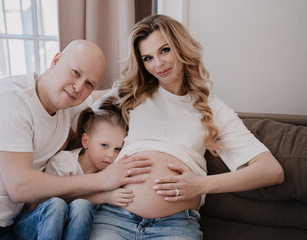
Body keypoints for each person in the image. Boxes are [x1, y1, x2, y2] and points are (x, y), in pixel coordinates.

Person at [88, 14, 284, 240]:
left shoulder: (211, 108)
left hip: (174, 225)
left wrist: (201, 185)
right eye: (148, 58)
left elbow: (271, 171)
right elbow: (80, 103)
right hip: (115, 216)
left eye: (165, 50)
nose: (158, 64)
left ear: (180, 47)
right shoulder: (131, 93)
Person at [0, 40, 152, 239]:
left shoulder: (67, 108)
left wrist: (154, 80)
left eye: (88, 83)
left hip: (1, 226)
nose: (78, 87)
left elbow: (108, 95)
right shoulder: (11, 100)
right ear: (56, 60)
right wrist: (101, 180)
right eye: (75, 73)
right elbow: (20, 187)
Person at [14, 96, 133, 240]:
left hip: (67, 229)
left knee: (82, 205)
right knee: (58, 204)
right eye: (104, 146)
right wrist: (104, 197)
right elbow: (47, 200)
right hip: (35, 223)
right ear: (86, 141)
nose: (110, 155)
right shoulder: (64, 162)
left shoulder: (109, 174)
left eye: (117, 149)